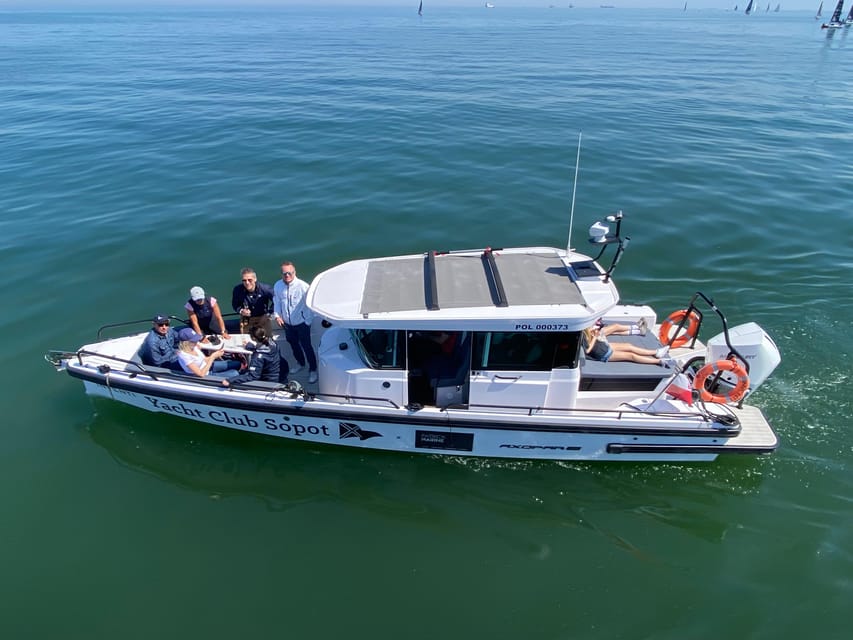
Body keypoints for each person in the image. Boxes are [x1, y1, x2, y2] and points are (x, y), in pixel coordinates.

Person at [273, 261, 318, 384]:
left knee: (307, 346)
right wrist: (277, 316)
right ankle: (300, 363)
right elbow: (276, 301)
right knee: (293, 344)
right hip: (287, 324)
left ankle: (313, 369)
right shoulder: (278, 286)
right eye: (284, 273)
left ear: (294, 272)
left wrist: (307, 321)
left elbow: (311, 305)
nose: (287, 275)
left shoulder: (303, 287)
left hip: (302, 324)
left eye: (289, 273)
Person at [221, 325, 285, 387]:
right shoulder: (273, 343)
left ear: (254, 338)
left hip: (270, 381)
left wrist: (230, 380)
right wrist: (250, 346)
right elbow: (264, 350)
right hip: (281, 372)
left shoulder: (258, 357)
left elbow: (253, 376)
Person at [583, 326, 675, 367]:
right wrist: (595, 337)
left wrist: (594, 333)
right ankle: (659, 361)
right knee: (631, 356)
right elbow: (587, 350)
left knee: (628, 346)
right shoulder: (581, 336)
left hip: (600, 345)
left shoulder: (583, 330)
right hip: (601, 353)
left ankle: (656, 352)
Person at [175, 327, 241, 378]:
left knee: (237, 364)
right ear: (186, 343)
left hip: (207, 366)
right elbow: (201, 374)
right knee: (235, 373)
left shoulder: (194, 346)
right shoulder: (184, 356)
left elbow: (204, 360)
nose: (197, 341)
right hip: (205, 373)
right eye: (194, 340)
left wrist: (216, 354)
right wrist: (213, 357)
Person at [231, 267, 274, 335]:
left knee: (267, 337)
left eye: (249, 280)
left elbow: (277, 302)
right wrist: (241, 311)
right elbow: (235, 304)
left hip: (263, 317)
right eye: (244, 280)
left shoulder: (265, 289)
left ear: (255, 279)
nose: (247, 283)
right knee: (248, 339)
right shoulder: (237, 290)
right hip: (247, 319)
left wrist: (268, 314)